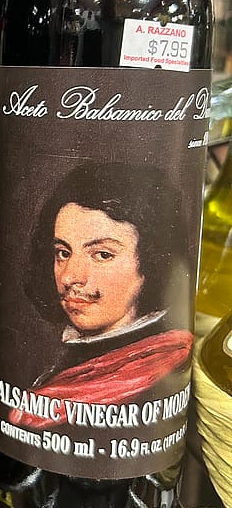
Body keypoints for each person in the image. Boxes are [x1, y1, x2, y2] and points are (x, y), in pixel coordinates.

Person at [11, 161, 194, 429]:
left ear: (151, 263)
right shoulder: (68, 362)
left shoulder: (165, 363)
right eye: (63, 253)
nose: (70, 276)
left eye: (102, 255)